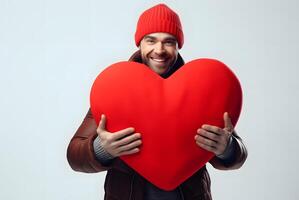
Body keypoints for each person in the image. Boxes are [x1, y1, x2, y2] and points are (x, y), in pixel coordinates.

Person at [67, 3, 247, 200]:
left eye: (168, 42)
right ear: (140, 43)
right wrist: (102, 149)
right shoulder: (115, 89)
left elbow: (238, 154)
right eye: (151, 40)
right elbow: (74, 156)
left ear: (178, 45)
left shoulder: (202, 89)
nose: (159, 50)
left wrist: (227, 147)